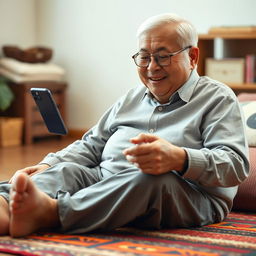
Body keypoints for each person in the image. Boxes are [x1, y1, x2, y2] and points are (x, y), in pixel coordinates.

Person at [0, 13, 249, 238]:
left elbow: (236, 166)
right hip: (105, 179)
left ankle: (51, 212)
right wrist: (48, 164)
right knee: (67, 171)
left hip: (187, 195)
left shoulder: (218, 98)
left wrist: (180, 159)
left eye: (163, 57)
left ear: (192, 56)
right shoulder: (131, 98)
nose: (152, 67)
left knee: (151, 181)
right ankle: (7, 204)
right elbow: (91, 144)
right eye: (144, 57)